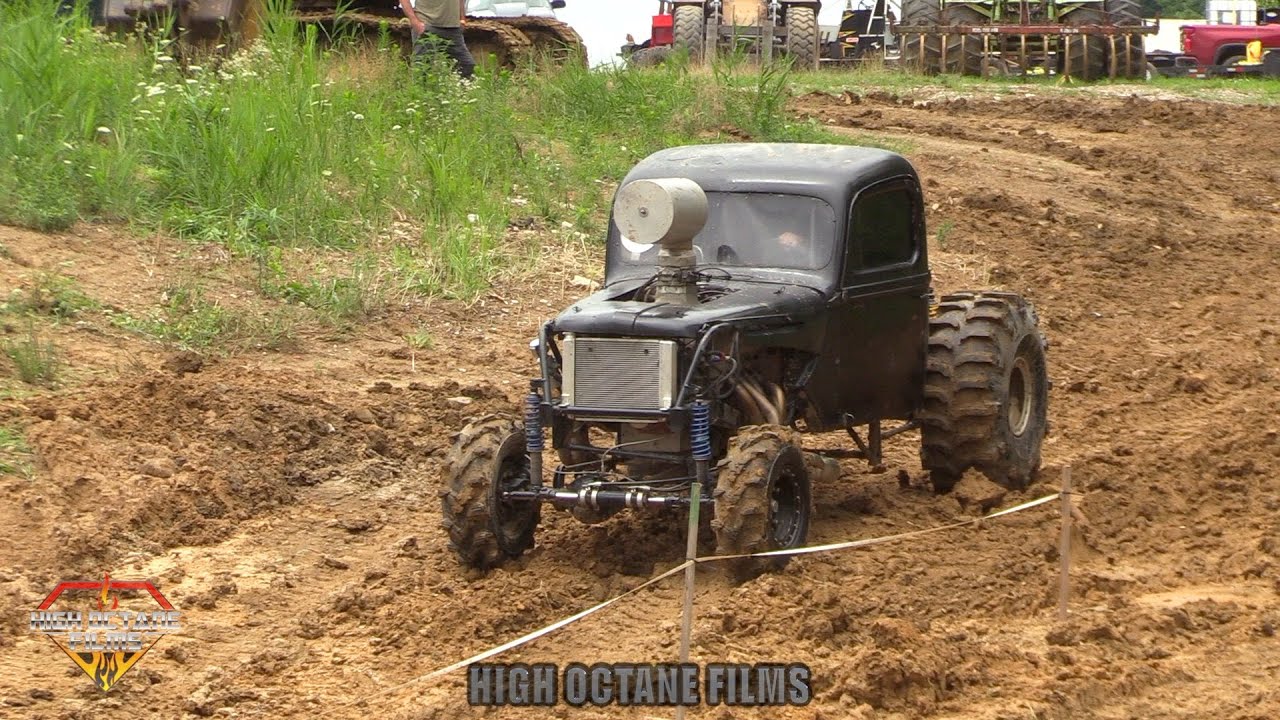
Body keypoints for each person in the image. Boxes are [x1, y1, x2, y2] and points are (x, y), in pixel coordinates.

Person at [399, 0, 476, 80]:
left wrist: (462, 19)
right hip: (427, 25)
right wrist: (414, 21)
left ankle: (458, 91)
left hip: (453, 28)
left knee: (467, 65)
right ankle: (420, 91)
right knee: (422, 69)